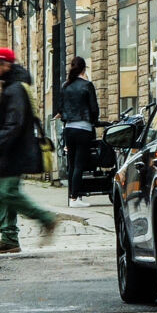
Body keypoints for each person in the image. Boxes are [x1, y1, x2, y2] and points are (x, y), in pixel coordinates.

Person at [0, 47, 58, 255]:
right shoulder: (12, 86)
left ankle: (46, 219)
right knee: (2, 196)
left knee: (8, 192)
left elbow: (14, 124)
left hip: (13, 151)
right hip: (10, 150)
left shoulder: (15, 89)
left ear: (6, 65)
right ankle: (9, 239)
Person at [56, 56, 100, 208]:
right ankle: (75, 198)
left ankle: (72, 197)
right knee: (80, 164)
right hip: (84, 129)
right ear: (84, 69)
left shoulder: (65, 86)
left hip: (69, 129)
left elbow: (60, 109)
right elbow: (94, 108)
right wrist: (94, 121)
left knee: (72, 164)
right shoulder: (87, 85)